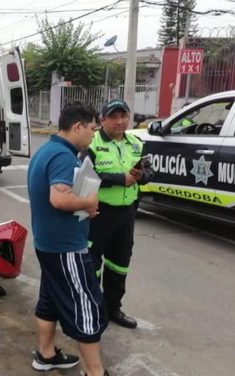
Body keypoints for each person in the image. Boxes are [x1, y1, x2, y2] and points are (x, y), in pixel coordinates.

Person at [27, 102, 109, 376]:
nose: (93, 136)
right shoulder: (63, 156)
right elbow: (59, 198)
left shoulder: (47, 150)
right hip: (65, 249)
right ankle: (95, 372)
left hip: (48, 244)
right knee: (87, 307)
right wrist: (88, 203)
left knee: (50, 299)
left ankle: (46, 355)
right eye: (92, 129)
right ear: (77, 127)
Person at [83, 99, 153, 330]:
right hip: (99, 213)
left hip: (127, 213)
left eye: (124, 116)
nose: (120, 121)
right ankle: (91, 308)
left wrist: (141, 176)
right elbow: (85, 176)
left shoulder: (135, 143)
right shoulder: (91, 142)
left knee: (120, 262)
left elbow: (149, 172)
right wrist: (119, 179)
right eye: (114, 116)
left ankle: (113, 307)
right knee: (92, 262)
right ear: (103, 119)